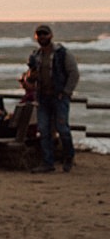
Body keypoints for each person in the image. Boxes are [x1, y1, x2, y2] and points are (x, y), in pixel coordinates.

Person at [27, 25, 80, 174]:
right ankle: (48, 162)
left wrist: (66, 92)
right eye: (39, 34)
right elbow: (29, 77)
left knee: (62, 128)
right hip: (43, 98)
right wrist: (30, 77)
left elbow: (73, 73)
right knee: (44, 130)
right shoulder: (35, 55)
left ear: (50, 35)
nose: (42, 36)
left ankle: (68, 157)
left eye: (44, 34)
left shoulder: (62, 53)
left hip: (59, 97)